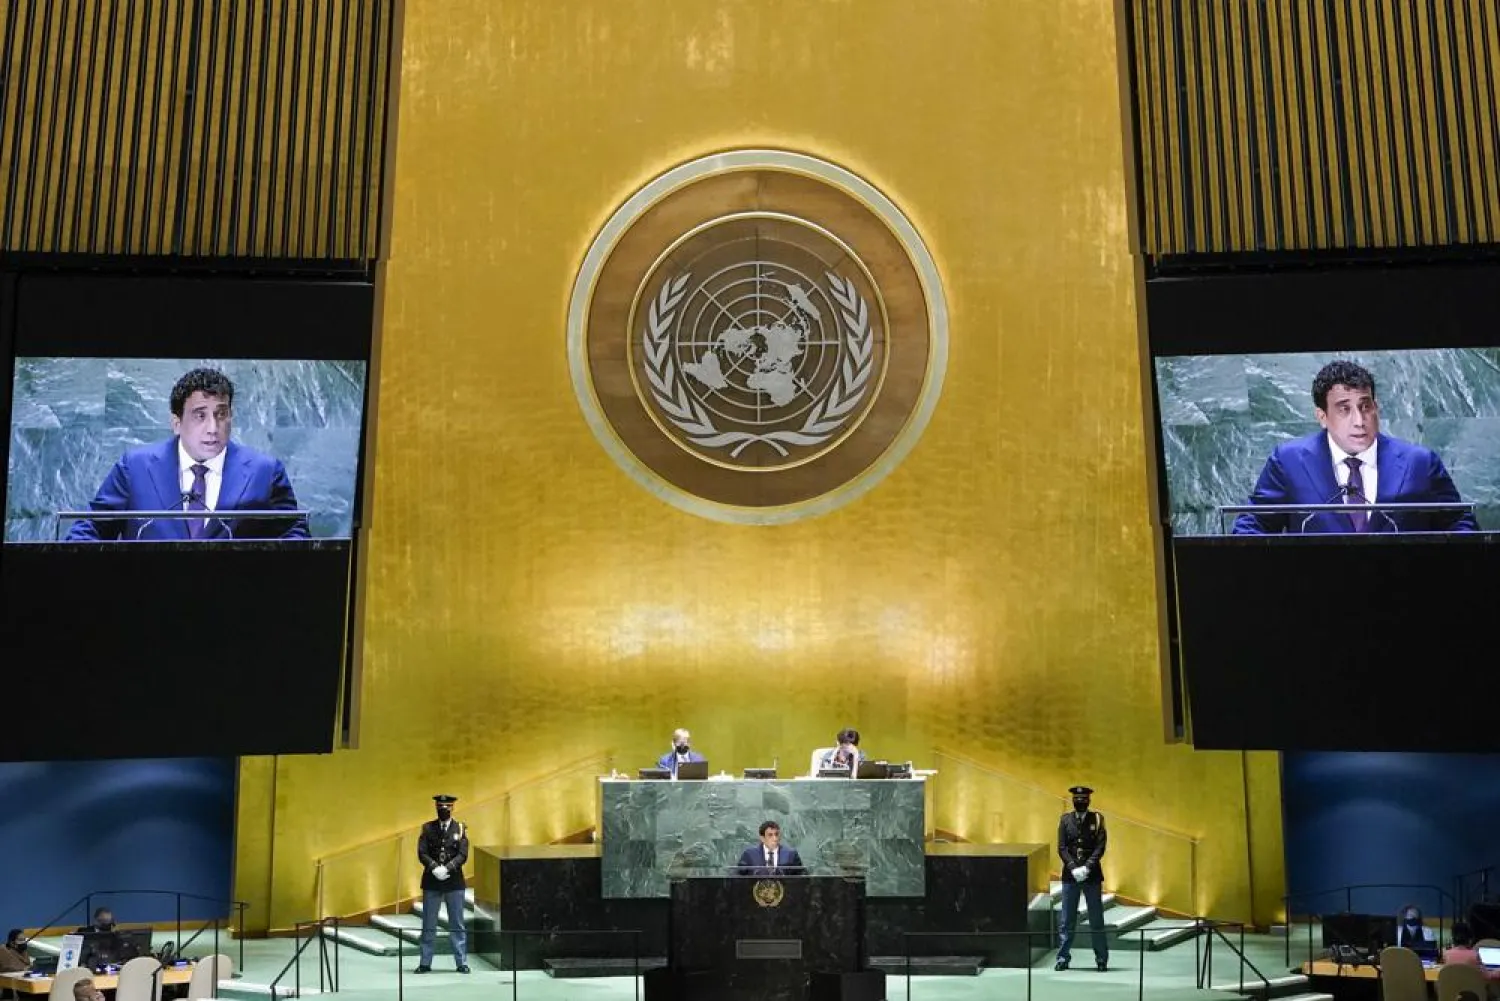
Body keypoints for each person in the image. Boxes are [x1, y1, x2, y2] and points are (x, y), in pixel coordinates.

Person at [1233, 360, 1477, 534]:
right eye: (1344, 409)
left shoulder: (1420, 463)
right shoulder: (1289, 461)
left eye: (1365, 406)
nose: (1359, 421)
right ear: (1322, 416)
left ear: (1376, 407)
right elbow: (1253, 525)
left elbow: (1460, 524)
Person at [66, 368, 310, 541]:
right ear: (176, 423)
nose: (213, 428)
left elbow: (296, 534)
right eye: (200, 416)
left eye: (221, 414)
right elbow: (90, 529)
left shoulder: (265, 472)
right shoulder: (134, 468)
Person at [1056, 785, 1109, 972]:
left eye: (1083, 799)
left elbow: (1100, 846)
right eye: (1077, 799)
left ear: (1089, 800)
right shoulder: (1065, 820)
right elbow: (1062, 847)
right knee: (1067, 920)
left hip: (1091, 875)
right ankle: (1063, 958)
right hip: (1070, 877)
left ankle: (1101, 959)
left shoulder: (1097, 819)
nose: (1080, 801)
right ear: (1073, 800)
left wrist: (1087, 866)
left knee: (1096, 919)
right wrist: (1072, 867)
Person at [415, 794, 470, 975]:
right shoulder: (428, 828)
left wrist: (447, 868)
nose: (443, 810)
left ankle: (461, 962)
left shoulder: (460, 828)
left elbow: (463, 854)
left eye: (447, 807)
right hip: (432, 881)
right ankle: (425, 962)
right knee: (428, 923)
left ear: (453, 808)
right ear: (436, 808)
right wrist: (434, 867)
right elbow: (422, 852)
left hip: (453, 881)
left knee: (457, 923)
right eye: (440, 807)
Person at [736, 821, 804, 876]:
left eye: (776, 834)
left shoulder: (791, 854)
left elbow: (802, 876)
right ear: (762, 838)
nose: (775, 838)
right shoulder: (749, 854)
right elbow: (738, 876)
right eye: (770, 835)